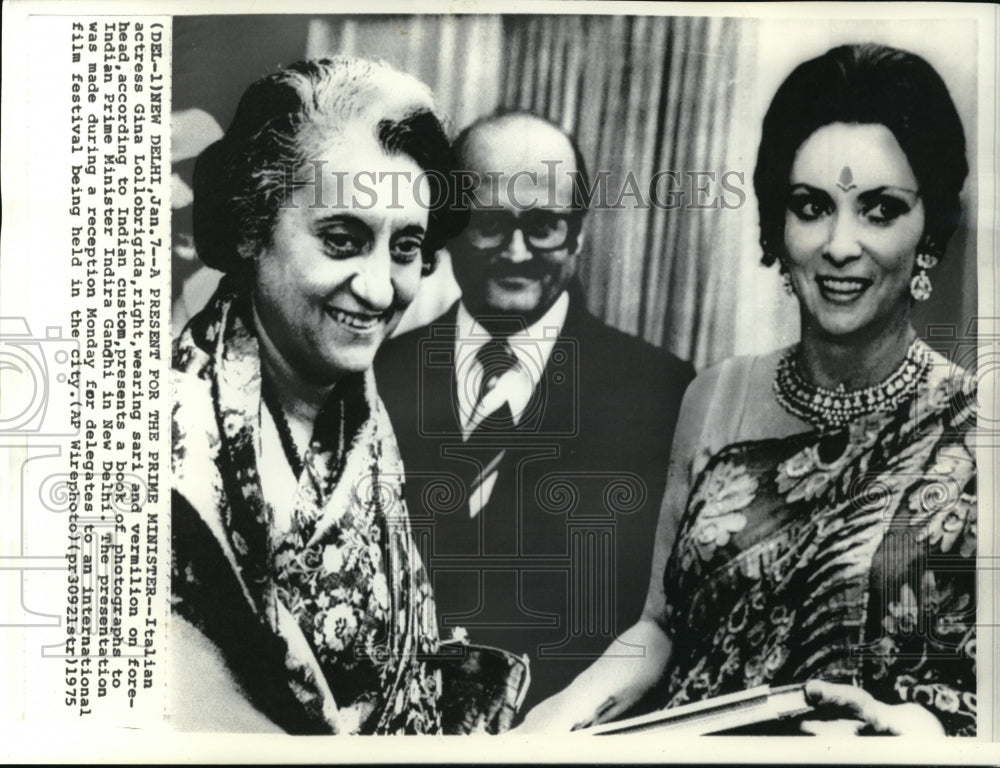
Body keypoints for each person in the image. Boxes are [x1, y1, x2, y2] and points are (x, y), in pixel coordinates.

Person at [519, 43, 977, 736]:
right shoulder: (715, 396)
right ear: (777, 225)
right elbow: (659, 626)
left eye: (880, 210)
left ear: (929, 234)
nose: (841, 244)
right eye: (811, 206)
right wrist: (561, 713)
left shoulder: (975, 427)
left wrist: (922, 733)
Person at [169, 57, 468, 734]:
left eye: (405, 248)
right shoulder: (158, 443)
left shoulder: (361, 413)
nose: (378, 289)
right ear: (251, 227)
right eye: (342, 240)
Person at [375, 111, 695, 715]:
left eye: (544, 225)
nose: (517, 252)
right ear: (446, 230)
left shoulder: (662, 393)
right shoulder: (378, 378)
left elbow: (663, 623)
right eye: (490, 223)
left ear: (577, 234)